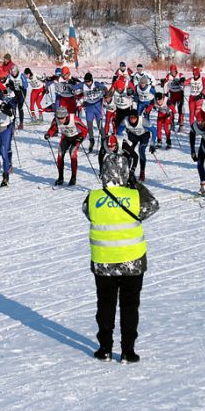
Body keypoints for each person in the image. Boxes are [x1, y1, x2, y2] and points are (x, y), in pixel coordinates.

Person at [83, 152, 159, 363]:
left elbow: (87, 212)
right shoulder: (134, 197)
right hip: (132, 260)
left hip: (103, 260)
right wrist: (136, 186)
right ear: (126, 172)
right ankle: (128, 350)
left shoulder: (93, 198)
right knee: (129, 305)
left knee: (105, 304)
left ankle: (104, 348)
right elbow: (152, 205)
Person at [44, 106, 88, 186]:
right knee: (60, 155)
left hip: (76, 137)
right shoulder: (56, 120)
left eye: (62, 118)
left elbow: (84, 129)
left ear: (66, 115)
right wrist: (48, 134)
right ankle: (60, 177)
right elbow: (53, 129)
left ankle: (73, 178)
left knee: (72, 153)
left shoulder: (73, 118)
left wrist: (81, 138)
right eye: (59, 118)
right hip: (65, 137)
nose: (60, 120)